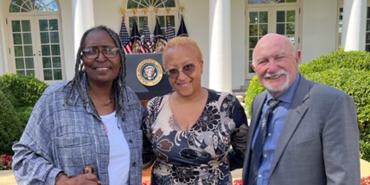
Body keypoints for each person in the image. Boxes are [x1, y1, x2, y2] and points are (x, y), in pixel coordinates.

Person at [12, 25, 145, 185]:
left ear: (120, 56)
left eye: (109, 50)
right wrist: (61, 180)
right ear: (82, 58)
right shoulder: (56, 99)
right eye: (91, 51)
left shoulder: (129, 100)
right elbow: (23, 157)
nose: (101, 57)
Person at [242, 33, 360, 185]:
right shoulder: (259, 102)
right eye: (263, 61)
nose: (271, 68)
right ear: (254, 68)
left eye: (279, 57)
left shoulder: (332, 103)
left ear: (297, 58)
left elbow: (344, 178)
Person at [142, 37, 249, 184]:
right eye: (173, 71)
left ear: (201, 65)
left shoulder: (227, 105)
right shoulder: (154, 107)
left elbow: (244, 152)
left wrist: (213, 167)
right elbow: (143, 156)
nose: (181, 76)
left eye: (188, 67)